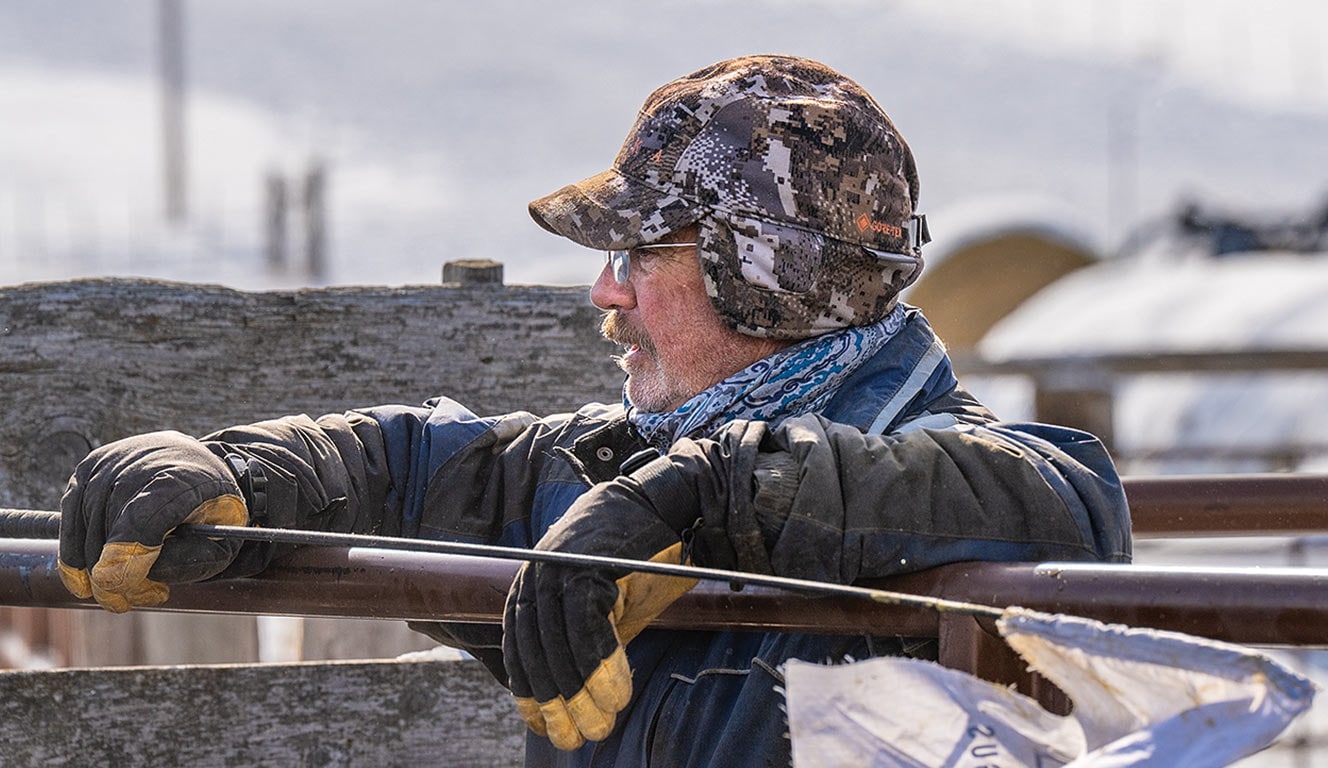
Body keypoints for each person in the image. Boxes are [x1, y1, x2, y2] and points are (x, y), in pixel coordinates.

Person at [57, 54, 1131, 766]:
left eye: (637, 253)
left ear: (764, 274)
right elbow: (415, 465)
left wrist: (721, 491)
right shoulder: (630, 463)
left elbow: (1068, 506)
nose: (604, 292)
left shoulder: (961, 481)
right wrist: (241, 473)